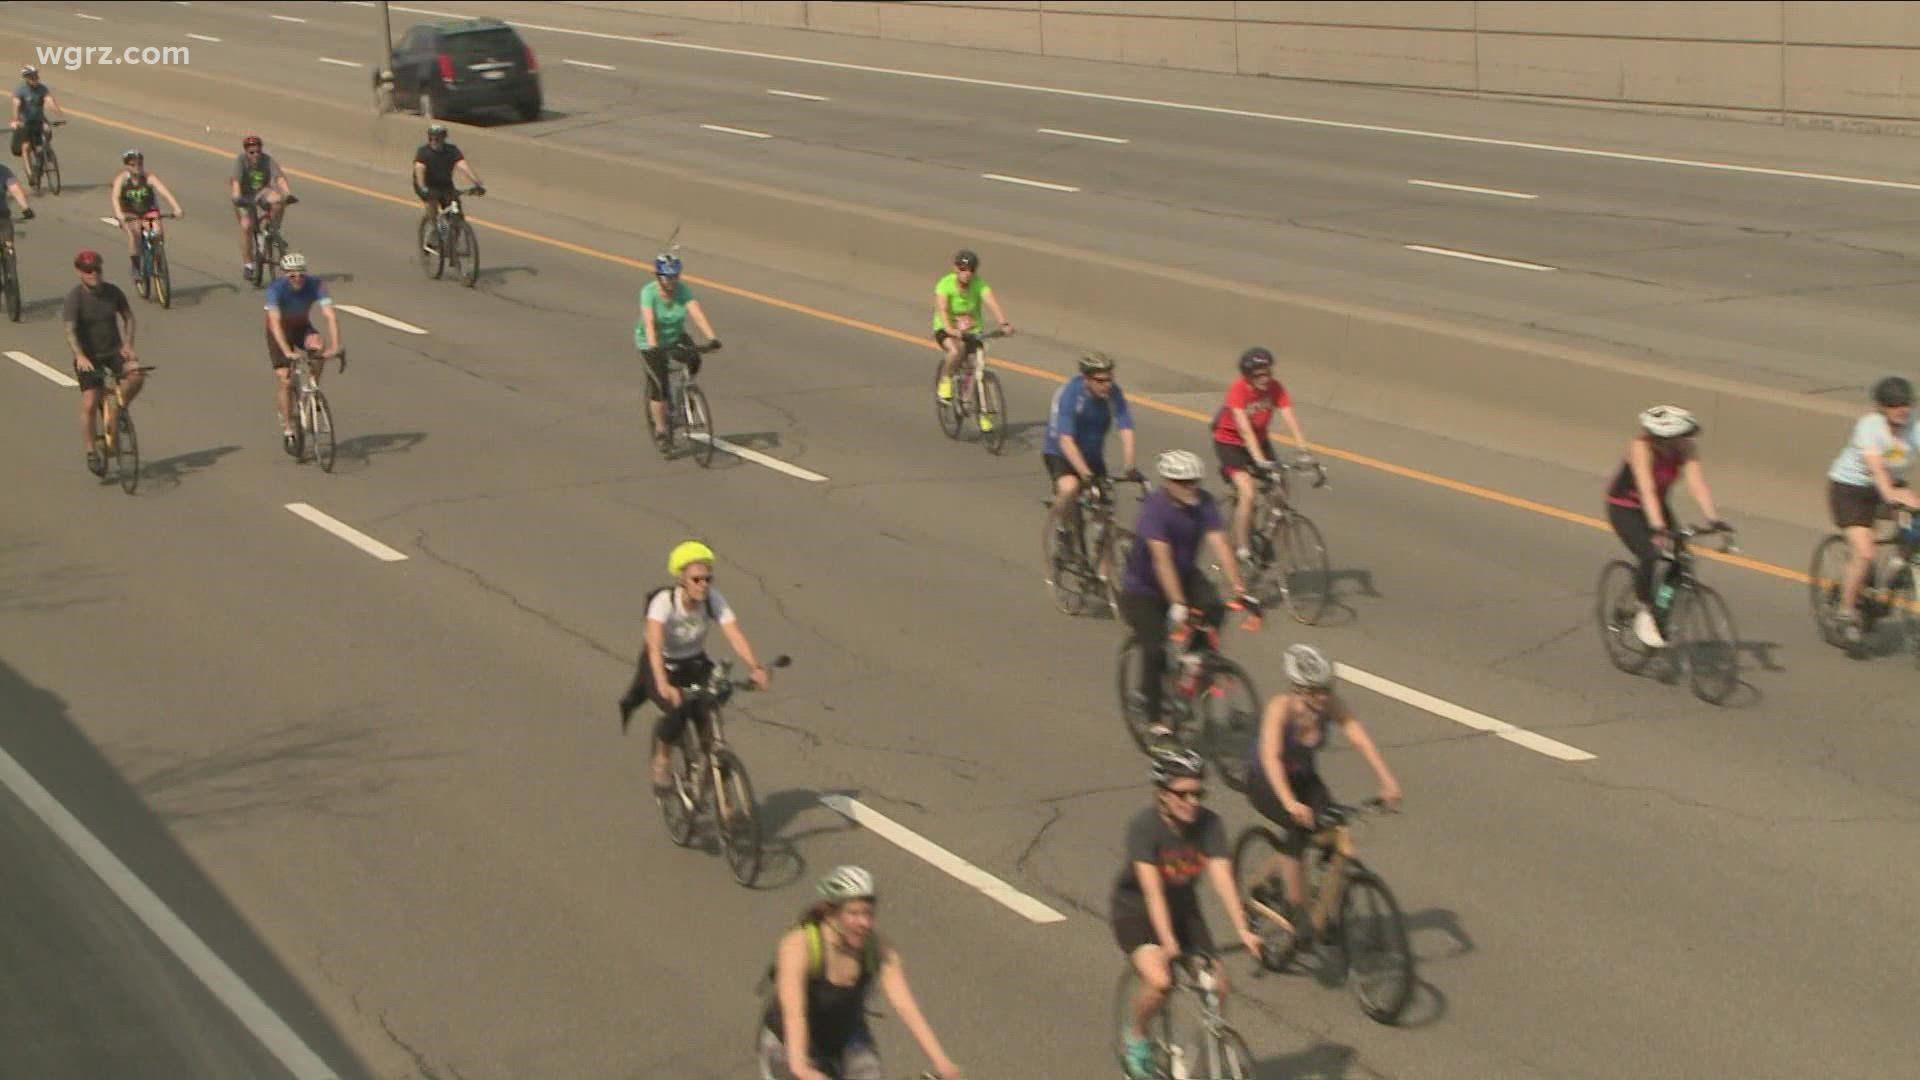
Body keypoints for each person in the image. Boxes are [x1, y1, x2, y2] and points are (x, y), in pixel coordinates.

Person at [1111, 747, 1263, 1080]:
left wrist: (1242, 929)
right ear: (1163, 795)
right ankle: (1137, 1037)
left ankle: (1200, 1055)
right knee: (1161, 980)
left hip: (1183, 910)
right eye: (1184, 794)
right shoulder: (1145, 827)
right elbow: (1152, 892)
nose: (1193, 801)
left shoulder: (1209, 824)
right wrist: (1167, 944)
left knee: (1218, 987)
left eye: (1199, 793)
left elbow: (1223, 877)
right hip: (1137, 912)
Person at [1245, 644, 1401, 935]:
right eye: (1316, 690)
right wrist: (1290, 803)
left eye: (1326, 688)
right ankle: (1295, 907)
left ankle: (1327, 907)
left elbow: (1358, 736)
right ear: (1299, 688)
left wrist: (1387, 779)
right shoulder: (1281, 709)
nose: (1323, 696)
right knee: (1298, 830)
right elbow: (1271, 758)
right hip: (1266, 781)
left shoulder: (1328, 704)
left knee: (1334, 829)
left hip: (1303, 777)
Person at [758, 866, 965, 1080]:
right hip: (790, 1044)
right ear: (829, 913)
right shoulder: (798, 946)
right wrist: (801, 1067)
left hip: (846, 1037)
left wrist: (941, 1061)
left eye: (868, 913)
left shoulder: (875, 948)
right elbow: (795, 1013)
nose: (864, 923)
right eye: (854, 913)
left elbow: (906, 1007)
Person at [1118, 450, 1255, 741]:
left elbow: (1220, 543)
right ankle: (1155, 718)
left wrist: (1240, 588)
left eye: (1194, 481)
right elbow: (1161, 560)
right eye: (1183, 482)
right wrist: (1178, 604)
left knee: (1214, 609)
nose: (1190, 487)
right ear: (1168, 482)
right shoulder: (1155, 510)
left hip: (1185, 575)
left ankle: (1194, 661)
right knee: (1155, 649)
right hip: (1144, 589)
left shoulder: (1204, 502)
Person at [617, 541, 770, 789]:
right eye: (697, 579)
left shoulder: (712, 599)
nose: (704, 585)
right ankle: (662, 758)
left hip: (694, 661)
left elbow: (734, 634)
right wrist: (664, 684)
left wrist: (756, 667)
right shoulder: (664, 603)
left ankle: (724, 802)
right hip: (662, 665)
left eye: (708, 579)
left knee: (709, 713)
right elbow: (654, 647)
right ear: (681, 579)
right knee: (676, 711)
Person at [1605, 406, 1728, 649]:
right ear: (1663, 438)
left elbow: (1697, 484)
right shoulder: (1641, 448)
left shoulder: (1686, 449)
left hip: (1657, 505)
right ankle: (1644, 610)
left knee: (1680, 558)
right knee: (1650, 555)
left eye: (1687, 436)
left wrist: (1714, 520)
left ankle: (1663, 603)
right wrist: (1658, 528)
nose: (1686, 441)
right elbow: (1647, 489)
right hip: (1625, 507)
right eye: (1682, 437)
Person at [1825, 377, 1920, 644]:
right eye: (1894, 405)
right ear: (1882, 407)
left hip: (1891, 484)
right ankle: (1845, 610)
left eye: (1906, 404)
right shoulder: (1869, 427)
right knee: (1865, 552)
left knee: (1916, 529)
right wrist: (1890, 495)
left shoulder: (1914, 427)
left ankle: (1899, 567)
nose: (1902, 410)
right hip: (1851, 489)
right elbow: (1876, 467)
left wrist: (1896, 493)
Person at [1211, 347, 1314, 563]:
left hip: (1259, 439)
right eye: (1259, 375)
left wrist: (1304, 450)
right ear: (1247, 376)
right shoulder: (1238, 390)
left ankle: (1267, 533)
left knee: (1281, 483)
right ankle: (1242, 547)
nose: (1265, 379)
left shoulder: (1275, 388)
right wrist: (1259, 460)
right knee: (1248, 491)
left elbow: (1290, 418)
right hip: (1231, 443)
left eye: (1268, 373)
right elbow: (1244, 429)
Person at [1043, 351, 1140, 539]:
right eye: (1100, 381)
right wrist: (1086, 475)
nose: (1107, 385)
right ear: (1086, 379)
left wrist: (1130, 465)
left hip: (1092, 455)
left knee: (1105, 518)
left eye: (1110, 379)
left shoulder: (1113, 393)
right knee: (1069, 487)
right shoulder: (1070, 395)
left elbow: (1126, 426)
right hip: (1061, 453)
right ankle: (1063, 528)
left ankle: (1103, 565)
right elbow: (1065, 440)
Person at [62, 250, 140, 475]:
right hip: (89, 356)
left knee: (136, 374)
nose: (93, 274)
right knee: (89, 402)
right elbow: (70, 331)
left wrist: (128, 345)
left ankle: (118, 406)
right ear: (79, 272)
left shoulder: (113, 292)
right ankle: (91, 451)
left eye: (97, 269)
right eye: (88, 270)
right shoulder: (75, 298)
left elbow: (128, 317)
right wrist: (80, 355)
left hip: (114, 351)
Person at [635, 252, 721, 449]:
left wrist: (712, 338)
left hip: (675, 336)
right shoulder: (648, 293)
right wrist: (654, 347)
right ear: (658, 276)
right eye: (667, 277)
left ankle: (685, 391)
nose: (672, 281)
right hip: (650, 341)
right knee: (660, 386)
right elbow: (648, 322)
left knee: (695, 359)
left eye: (675, 276)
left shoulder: (683, 290)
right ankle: (661, 430)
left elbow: (696, 312)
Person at [264, 252, 343, 452]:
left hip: (301, 327)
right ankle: (288, 429)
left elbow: (330, 316)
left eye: (300, 274)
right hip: (279, 332)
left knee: (318, 346)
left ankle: (313, 388)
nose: (297, 278)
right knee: (286, 379)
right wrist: (286, 352)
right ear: (284, 275)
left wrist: (336, 345)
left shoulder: (316, 285)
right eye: (292, 275)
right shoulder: (276, 289)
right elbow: (274, 322)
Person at [931, 249, 1011, 422]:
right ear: (955, 268)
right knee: (954, 351)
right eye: (962, 268)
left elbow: (992, 303)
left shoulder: (979, 284)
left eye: (970, 270)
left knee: (978, 368)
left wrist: (1003, 323)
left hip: (972, 330)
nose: (966, 273)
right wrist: (950, 329)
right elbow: (942, 309)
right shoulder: (945, 284)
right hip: (946, 328)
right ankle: (945, 382)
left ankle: (984, 413)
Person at [108, 150, 183, 279]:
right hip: (130, 212)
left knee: (157, 232)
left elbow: (165, 192)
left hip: (148, 210)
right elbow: (115, 197)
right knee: (135, 233)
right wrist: (119, 215)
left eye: (139, 164)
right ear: (126, 166)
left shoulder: (149, 177)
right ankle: (136, 266)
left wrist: (177, 208)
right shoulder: (122, 180)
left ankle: (158, 258)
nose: (137, 167)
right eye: (133, 164)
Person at [231, 134, 294, 278]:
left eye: (258, 151)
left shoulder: (267, 160)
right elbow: (235, 182)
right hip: (244, 196)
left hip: (262, 192)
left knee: (279, 201)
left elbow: (279, 178)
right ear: (246, 152)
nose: (255, 155)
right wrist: (236, 196)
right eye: (251, 152)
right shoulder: (240, 161)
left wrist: (287, 193)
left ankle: (273, 229)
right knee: (246, 226)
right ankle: (248, 264)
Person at [412, 122, 483, 241]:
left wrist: (477, 182)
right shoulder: (423, 152)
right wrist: (423, 187)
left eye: (438, 137)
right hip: (427, 184)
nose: (434, 140)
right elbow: (419, 169)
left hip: (445, 184)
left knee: (455, 210)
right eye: (432, 137)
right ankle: (433, 229)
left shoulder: (452, 150)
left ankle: (450, 240)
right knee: (432, 204)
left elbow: (463, 166)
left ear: (444, 138)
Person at [9, 66, 60, 162]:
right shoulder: (21, 90)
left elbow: (48, 99)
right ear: (27, 78)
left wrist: (56, 110)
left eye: (36, 76)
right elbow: (16, 104)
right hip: (26, 122)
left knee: (47, 130)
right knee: (26, 146)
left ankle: (44, 151)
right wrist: (16, 119)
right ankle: (31, 172)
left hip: (39, 119)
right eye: (32, 76)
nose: (35, 78)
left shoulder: (42, 88)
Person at [0, 153, 32, 252]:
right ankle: (8, 252)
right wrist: (26, 208)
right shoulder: (3, 170)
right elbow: (15, 190)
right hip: (2, 214)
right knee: (8, 245)